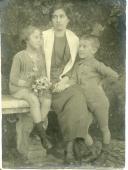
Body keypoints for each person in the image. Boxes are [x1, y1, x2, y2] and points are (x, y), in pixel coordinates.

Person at [42, 3, 92, 164]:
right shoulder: (43, 36)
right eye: (54, 17)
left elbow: (74, 65)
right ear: (51, 19)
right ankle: (72, 147)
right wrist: (45, 81)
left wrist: (65, 81)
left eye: (61, 16)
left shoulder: (74, 39)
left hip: (64, 82)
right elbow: (34, 62)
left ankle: (70, 148)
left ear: (68, 19)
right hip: (44, 82)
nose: (58, 20)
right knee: (68, 100)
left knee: (77, 96)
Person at [69, 34, 119, 160]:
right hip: (85, 104)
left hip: (99, 102)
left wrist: (102, 83)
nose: (81, 49)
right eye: (80, 46)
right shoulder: (77, 66)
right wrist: (62, 84)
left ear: (94, 50)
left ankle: (105, 153)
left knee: (104, 128)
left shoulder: (96, 64)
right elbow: (72, 81)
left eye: (84, 46)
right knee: (82, 129)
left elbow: (114, 75)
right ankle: (92, 151)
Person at [9, 25, 52, 150]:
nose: (40, 40)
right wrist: (26, 84)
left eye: (41, 37)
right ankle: (43, 137)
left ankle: (35, 130)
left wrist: (43, 84)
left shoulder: (41, 57)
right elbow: (13, 78)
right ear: (27, 39)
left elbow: (43, 74)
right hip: (18, 89)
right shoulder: (19, 56)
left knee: (47, 100)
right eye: (36, 37)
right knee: (33, 99)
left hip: (34, 88)